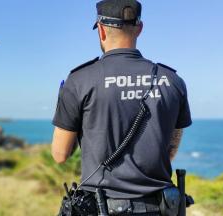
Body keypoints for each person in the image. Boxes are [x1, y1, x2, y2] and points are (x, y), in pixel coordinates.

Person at [51, 0, 192, 215]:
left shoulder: (79, 80)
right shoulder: (172, 80)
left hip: (101, 207)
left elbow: (60, 154)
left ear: (101, 30)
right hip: (159, 208)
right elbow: (170, 149)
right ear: (140, 28)